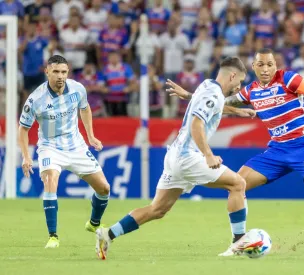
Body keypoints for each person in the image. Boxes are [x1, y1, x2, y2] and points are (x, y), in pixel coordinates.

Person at [167, 48, 304, 250]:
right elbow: (216, 101)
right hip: (277, 150)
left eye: (270, 64)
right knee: (236, 184)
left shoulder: (288, 79)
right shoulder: (250, 91)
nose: (266, 69)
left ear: (275, 65)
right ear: (254, 66)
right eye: (261, 64)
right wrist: (188, 95)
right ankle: (238, 241)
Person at [94, 57, 257, 260]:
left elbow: (208, 103)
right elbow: (196, 124)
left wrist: (237, 111)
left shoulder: (206, 85)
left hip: (174, 155)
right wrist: (208, 155)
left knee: (157, 209)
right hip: (189, 157)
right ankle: (239, 243)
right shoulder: (214, 94)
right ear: (232, 76)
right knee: (238, 184)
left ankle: (108, 234)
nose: (238, 86)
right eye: (239, 81)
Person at [18, 55, 111, 248]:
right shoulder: (35, 99)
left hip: (76, 145)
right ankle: (53, 236)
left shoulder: (78, 89)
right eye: (56, 72)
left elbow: (85, 109)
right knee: (51, 181)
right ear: (47, 72)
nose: (60, 76)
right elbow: (23, 129)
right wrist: (26, 156)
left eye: (64, 72)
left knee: (104, 189)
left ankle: (93, 224)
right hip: (50, 147)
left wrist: (91, 136)